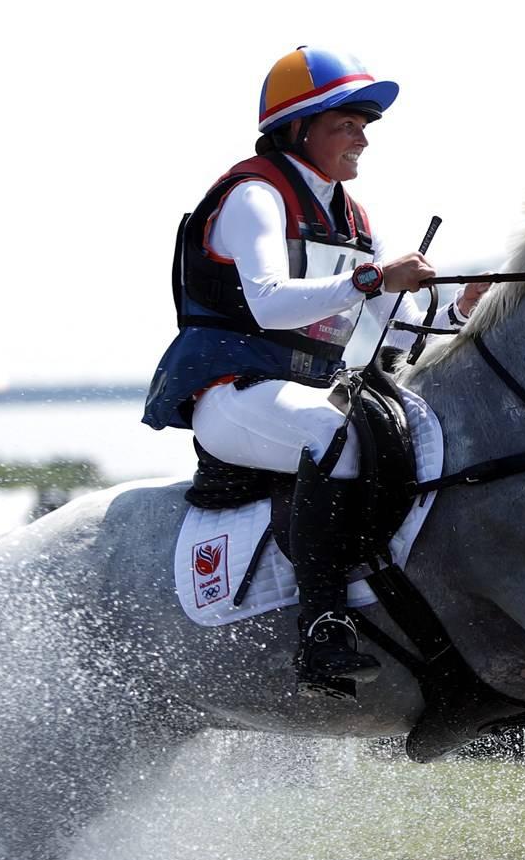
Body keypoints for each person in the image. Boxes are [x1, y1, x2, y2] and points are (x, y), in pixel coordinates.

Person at [143, 46, 480, 698]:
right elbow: (269, 302)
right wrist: (373, 277)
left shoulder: (352, 218)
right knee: (334, 436)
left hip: (299, 393)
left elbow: (397, 323)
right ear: (299, 129)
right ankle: (323, 627)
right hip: (232, 394)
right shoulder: (254, 195)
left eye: (363, 126)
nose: (361, 141)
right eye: (345, 125)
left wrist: (459, 313)